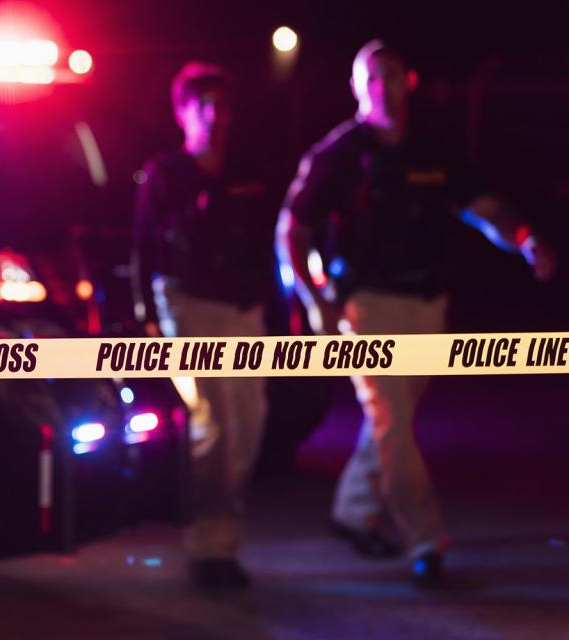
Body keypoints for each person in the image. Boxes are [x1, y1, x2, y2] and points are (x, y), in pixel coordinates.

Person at [276, 39, 557, 587]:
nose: (383, 85)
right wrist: (316, 299)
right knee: (389, 419)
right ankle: (426, 539)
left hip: (427, 304)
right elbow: (294, 228)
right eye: (372, 77)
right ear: (358, 88)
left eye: (392, 74)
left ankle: (354, 512)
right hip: (368, 305)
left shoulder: (432, 149)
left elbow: (483, 207)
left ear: (411, 81)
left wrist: (526, 240)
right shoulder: (339, 154)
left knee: (395, 419)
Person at [132, 61, 273, 588]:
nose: (214, 115)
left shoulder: (250, 173)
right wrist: (148, 318)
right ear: (182, 112)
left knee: (249, 425)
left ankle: (219, 527)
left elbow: (269, 247)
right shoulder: (164, 175)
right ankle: (210, 546)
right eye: (202, 105)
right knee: (211, 421)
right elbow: (144, 251)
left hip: (242, 311)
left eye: (221, 104)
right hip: (186, 305)